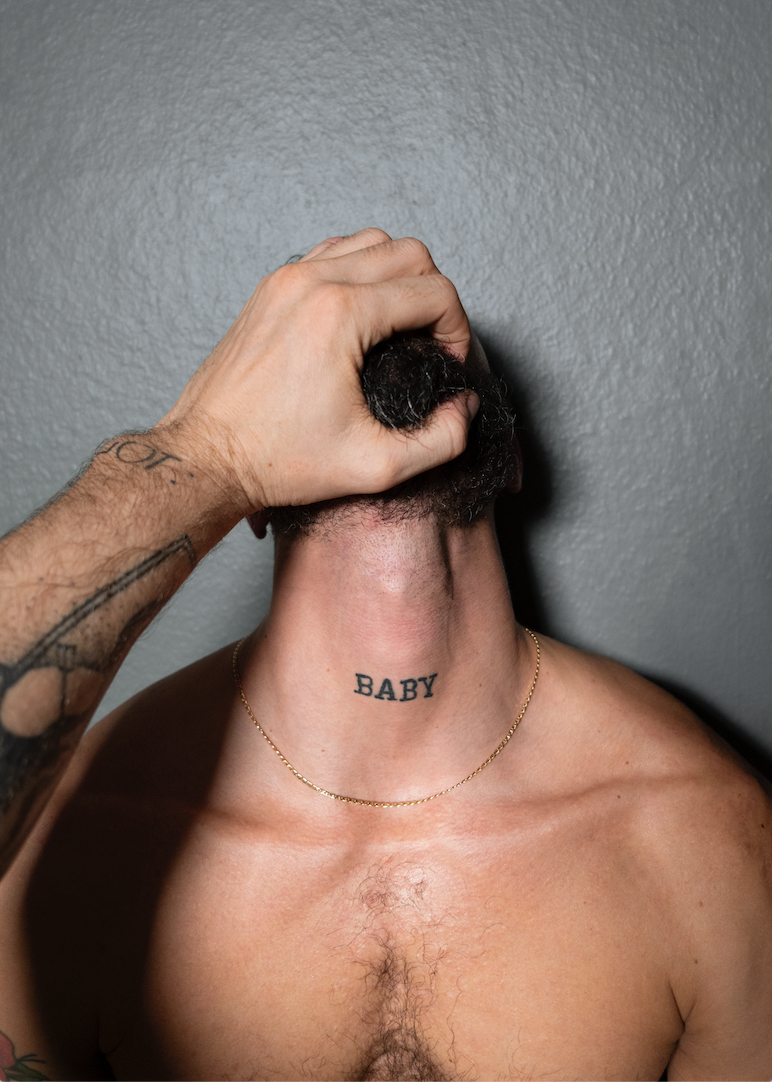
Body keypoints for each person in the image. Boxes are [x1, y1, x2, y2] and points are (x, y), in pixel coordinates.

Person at [0, 231, 769, 1082]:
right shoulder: (75, 845)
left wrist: (219, 453)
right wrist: (208, 455)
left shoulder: (704, 838)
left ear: (510, 457)